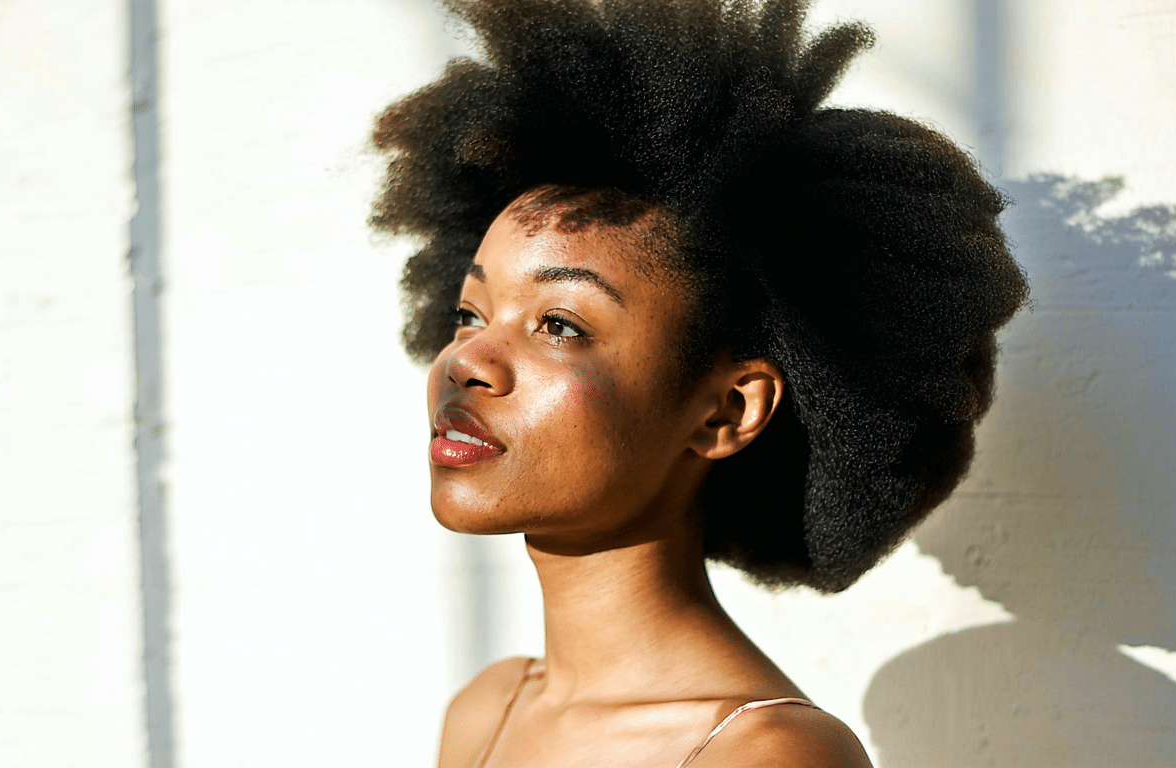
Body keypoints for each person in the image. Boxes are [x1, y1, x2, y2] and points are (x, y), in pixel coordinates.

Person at [370, 1, 1029, 765]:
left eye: (560, 324)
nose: (467, 361)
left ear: (727, 412)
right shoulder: (487, 710)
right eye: (469, 313)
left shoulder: (765, 755)